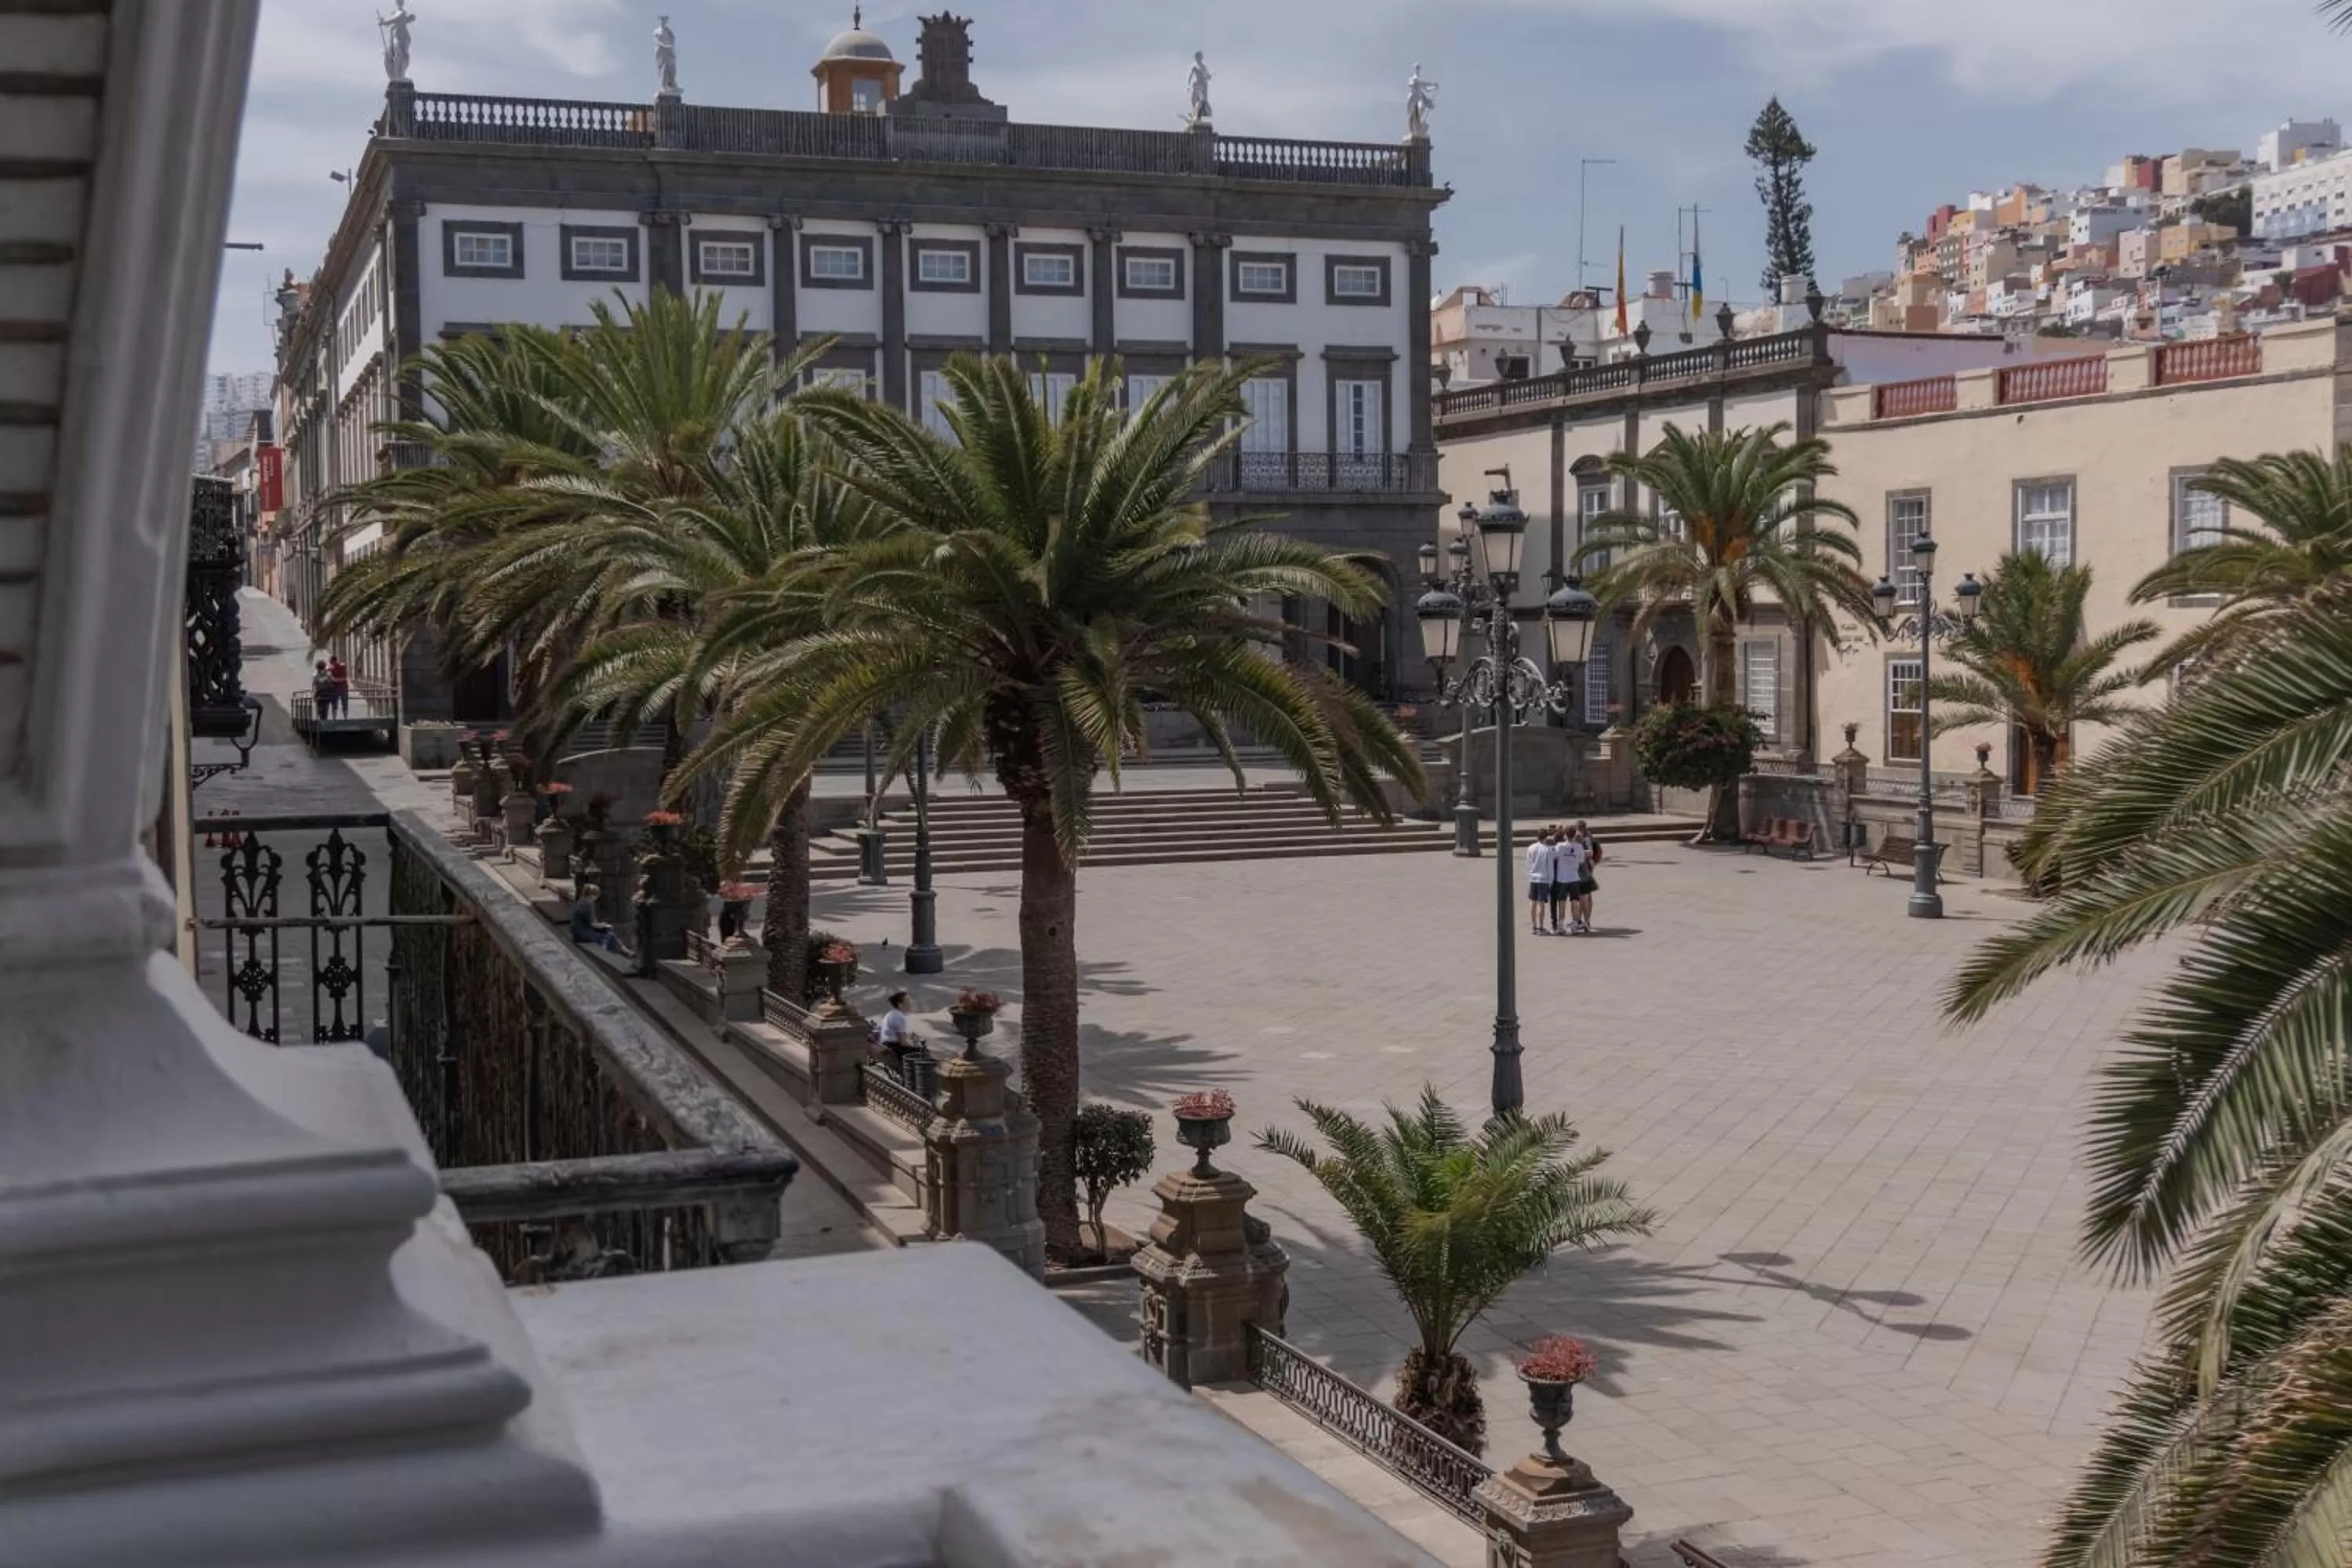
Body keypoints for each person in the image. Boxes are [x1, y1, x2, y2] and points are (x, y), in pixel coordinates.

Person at [1551, 826, 1590, 935]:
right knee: (1575, 901)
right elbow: (1581, 860)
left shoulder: (1560, 846)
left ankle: (1561, 926)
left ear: (1565, 835)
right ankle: (1574, 924)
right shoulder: (1579, 847)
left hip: (1562, 878)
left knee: (1562, 901)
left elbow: (1555, 857)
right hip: (1574, 877)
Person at [1571, 820, 1602, 934]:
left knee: (1586, 897)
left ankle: (1586, 921)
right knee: (1582, 897)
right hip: (1581, 872)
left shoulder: (1587, 839)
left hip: (1585, 872)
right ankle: (1581, 920)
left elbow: (1590, 853)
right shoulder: (1579, 838)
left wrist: (1579, 851)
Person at [569, 883, 622, 953]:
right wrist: (604, 925)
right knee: (609, 934)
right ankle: (618, 950)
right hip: (581, 933)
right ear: (592, 895)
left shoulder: (580, 901)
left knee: (608, 931)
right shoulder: (588, 904)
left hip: (576, 931)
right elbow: (593, 924)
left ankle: (622, 949)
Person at [1526, 827, 1555, 935]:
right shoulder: (1547, 850)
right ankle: (1541, 927)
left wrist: (1530, 875)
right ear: (1546, 837)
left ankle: (1533, 926)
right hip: (1543, 879)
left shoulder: (1531, 848)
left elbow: (1528, 864)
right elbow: (1550, 867)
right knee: (1541, 903)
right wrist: (1551, 881)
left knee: (1532, 902)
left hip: (1533, 878)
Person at [327, 652, 350, 718]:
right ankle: (345, 718)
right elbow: (345, 677)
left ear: (332, 661)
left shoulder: (331, 669)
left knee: (335, 704)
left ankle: (334, 718)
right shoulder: (342, 666)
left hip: (336, 688)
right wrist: (341, 680)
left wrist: (336, 680)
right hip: (343, 687)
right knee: (344, 703)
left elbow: (332, 679)